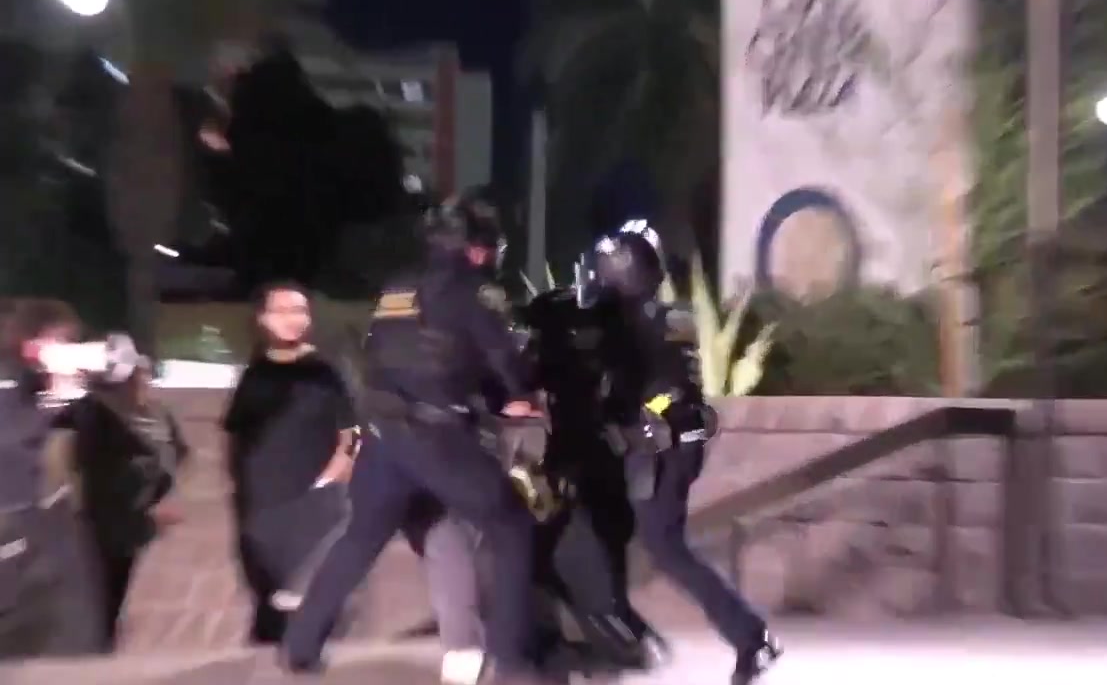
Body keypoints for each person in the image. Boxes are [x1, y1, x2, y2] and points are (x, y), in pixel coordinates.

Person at [281, 192, 547, 685]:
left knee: (362, 536)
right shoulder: (475, 293)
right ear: (477, 247)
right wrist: (521, 394)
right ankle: (513, 663)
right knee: (511, 526)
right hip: (437, 437)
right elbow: (507, 364)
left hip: (385, 436)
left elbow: (384, 353)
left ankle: (299, 647)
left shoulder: (397, 290)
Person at [576, 220, 782, 685]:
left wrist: (634, 419)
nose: (600, 279)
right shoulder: (652, 320)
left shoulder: (651, 323)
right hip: (662, 445)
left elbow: (665, 389)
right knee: (605, 529)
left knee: (664, 546)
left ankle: (751, 637)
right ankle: (613, 634)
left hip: (662, 448)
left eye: (608, 271)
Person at [518, 286, 670, 672]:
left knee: (546, 556)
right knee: (601, 559)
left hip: (577, 467)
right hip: (606, 468)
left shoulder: (562, 356)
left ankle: (612, 644)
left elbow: (520, 381)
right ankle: (623, 639)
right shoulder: (620, 350)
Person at [222, 281, 358, 645]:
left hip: (314, 503)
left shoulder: (327, 372)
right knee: (268, 606)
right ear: (263, 318)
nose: (291, 319)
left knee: (313, 604)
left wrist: (331, 482)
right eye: (280, 311)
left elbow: (351, 434)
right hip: (261, 506)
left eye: (298, 310)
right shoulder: (255, 374)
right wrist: (240, 491)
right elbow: (236, 437)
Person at [59, 355, 189, 649]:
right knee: (102, 578)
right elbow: (67, 440)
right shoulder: (94, 410)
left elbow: (178, 454)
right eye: (135, 377)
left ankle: (103, 638)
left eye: (143, 377)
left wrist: (162, 494)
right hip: (100, 509)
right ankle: (100, 639)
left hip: (132, 512)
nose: (141, 383)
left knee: (115, 578)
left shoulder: (156, 415)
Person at [0, 298, 105, 658]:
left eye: (70, 341)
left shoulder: (68, 396)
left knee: (74, 644)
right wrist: (52, 403)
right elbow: (12, 446)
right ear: (28, 344)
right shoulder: (9, 392)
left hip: (58, 543)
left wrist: (72, 396)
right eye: (57, 342)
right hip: (12, 541)